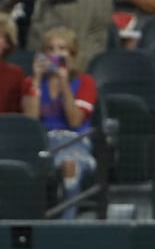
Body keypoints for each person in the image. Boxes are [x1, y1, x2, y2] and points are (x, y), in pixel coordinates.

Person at [22, 25, 98, 211]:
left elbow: (75, 121)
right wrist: (37, 80)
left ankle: (68, 221)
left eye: (62, 49)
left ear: (72, 55)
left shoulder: (85, 82)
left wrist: (63, 82)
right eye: (50, 49)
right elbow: (30, 121)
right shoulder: (29, 83)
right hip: (43, 142)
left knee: (69, 164)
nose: (55, 54)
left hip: (74, 140)